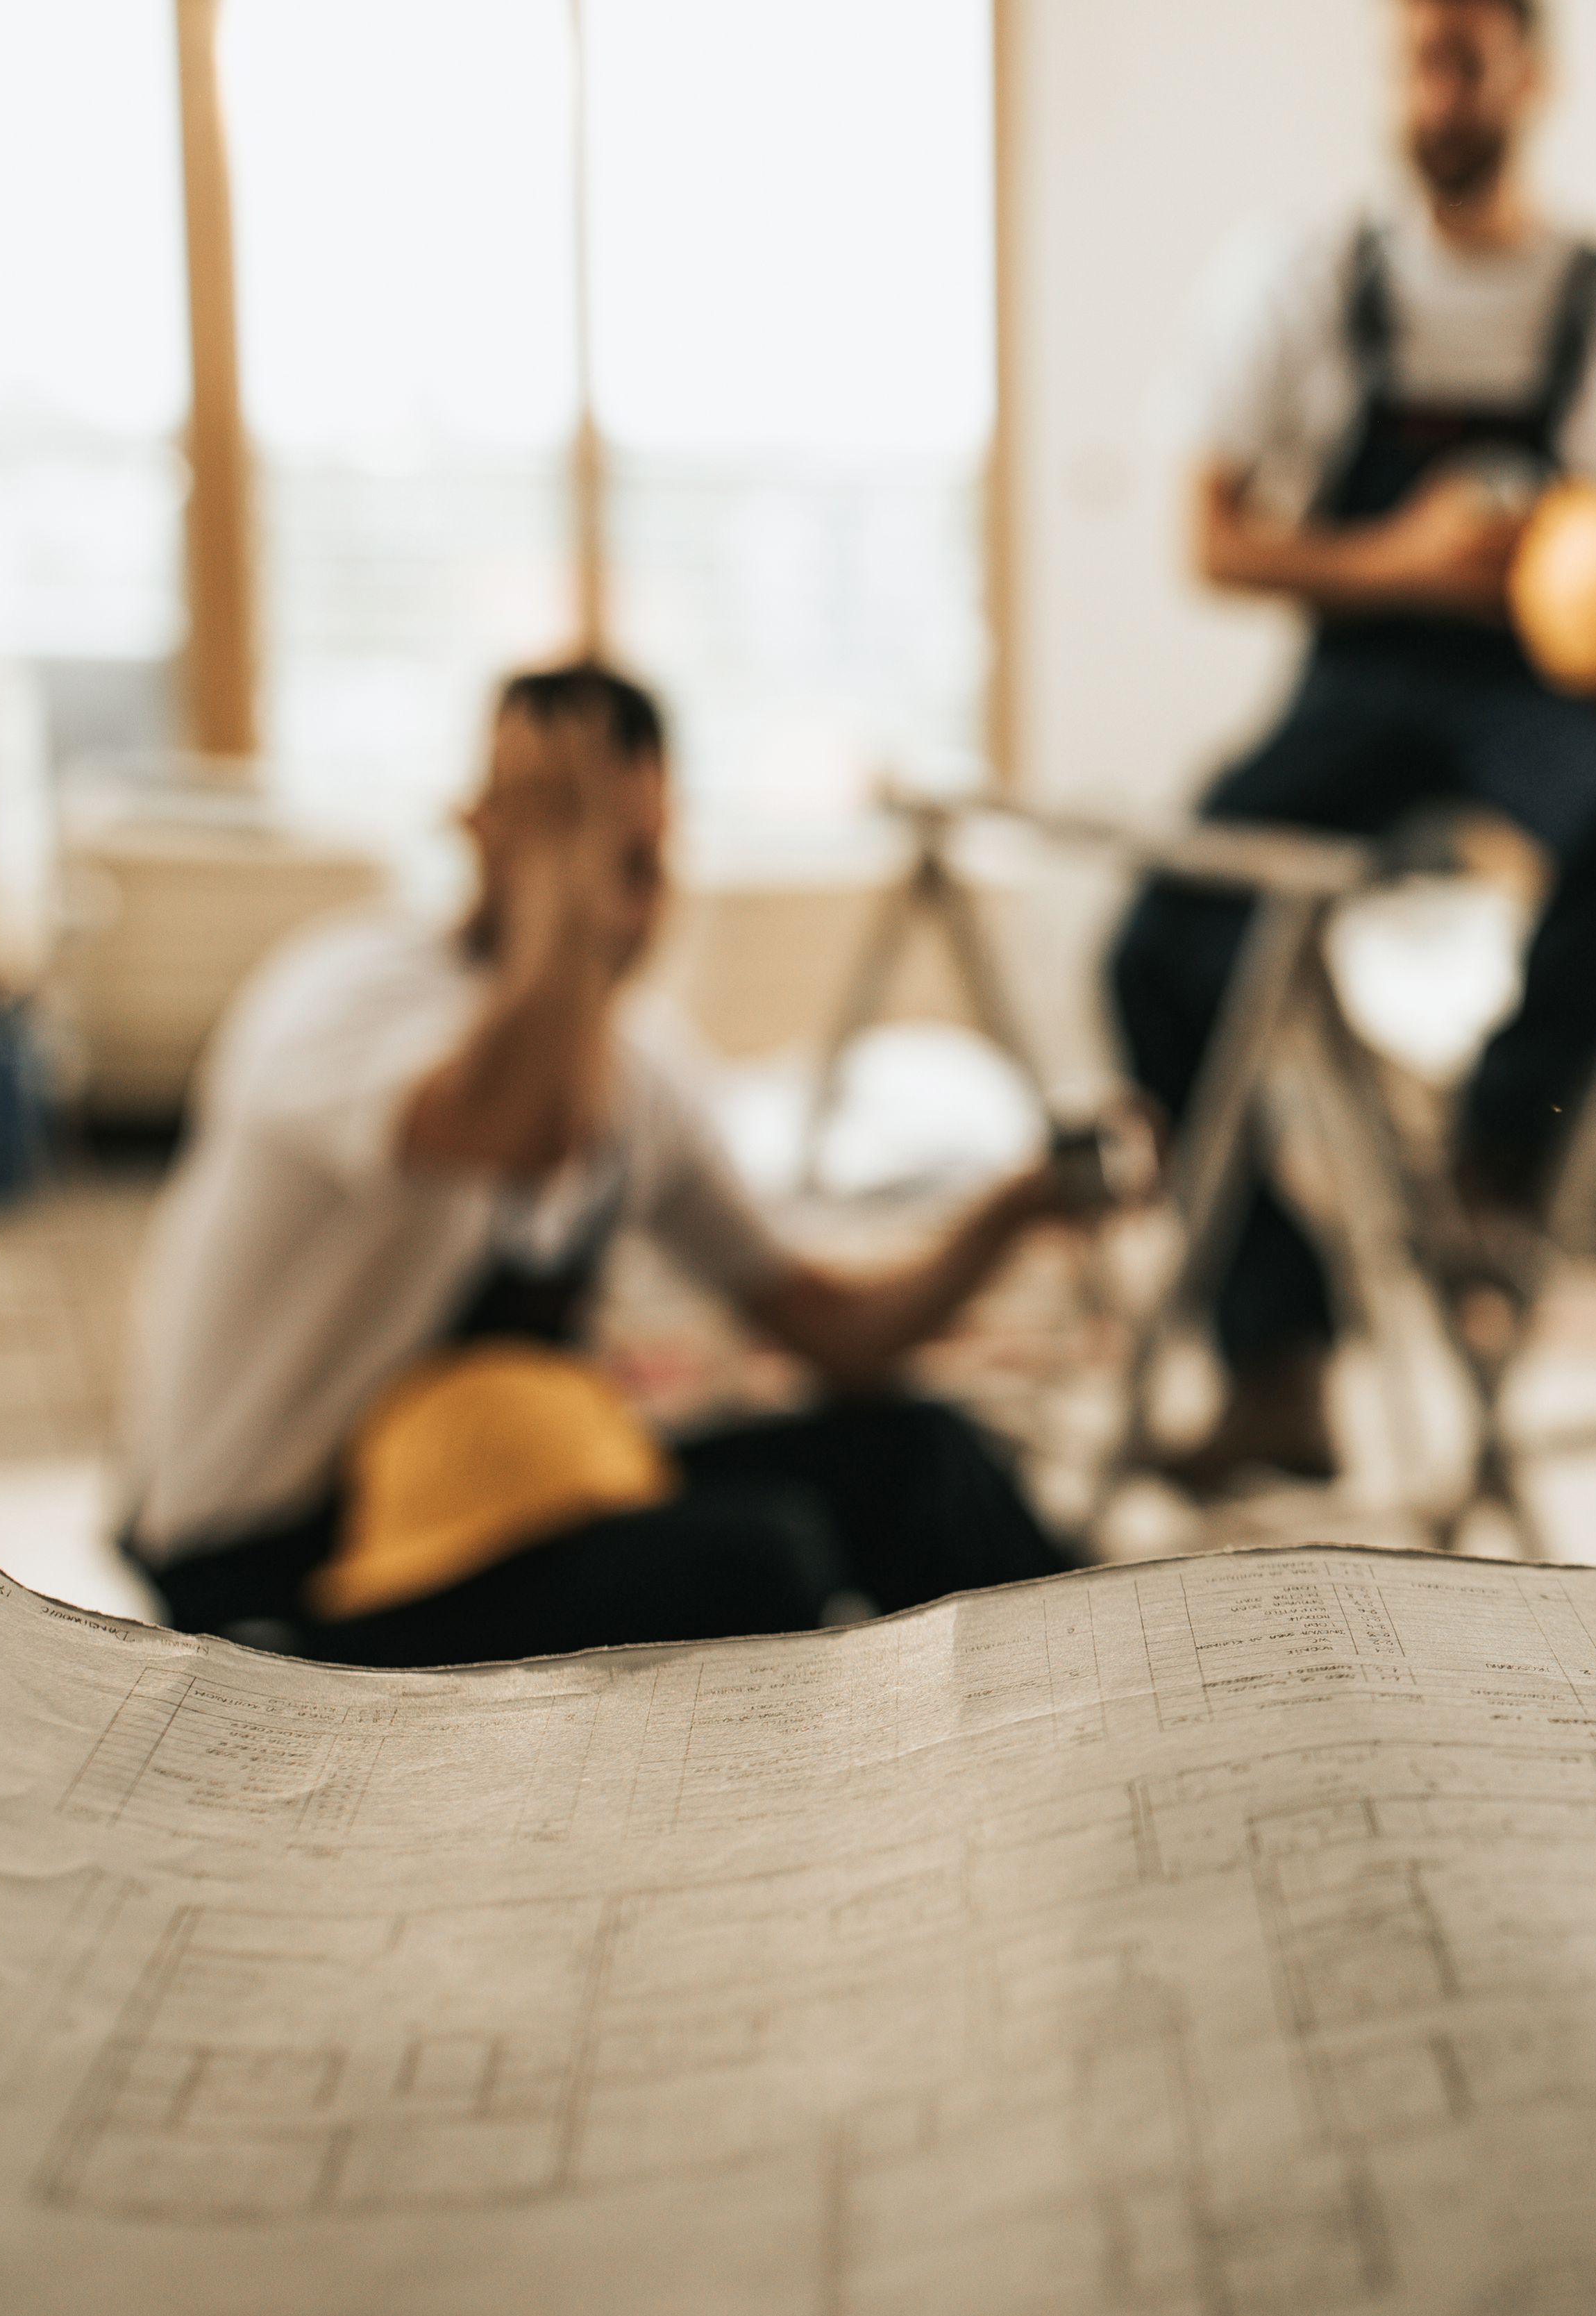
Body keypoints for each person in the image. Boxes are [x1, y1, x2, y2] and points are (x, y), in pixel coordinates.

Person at [1109, 0, 1596, 1491]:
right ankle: (1279, 1350)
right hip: (1360, 675)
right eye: (1418, 63)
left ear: (1531, 80)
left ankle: (1498, 1160)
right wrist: (1400, 558)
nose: (1441, 94)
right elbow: (1214, 542)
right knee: (1158, 944)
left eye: (1469, 64)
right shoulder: (1303, 277)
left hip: (1543, 686)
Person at [117, 660, 1086, 1665]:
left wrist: (1014, 1211)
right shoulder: (347, 993)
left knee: (919, 1457)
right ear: (482, 833)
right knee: (752, 1563)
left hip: (494, 1512)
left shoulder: (641, 1069)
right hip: (274, 1561)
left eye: (638, 863)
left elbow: (836, 1334)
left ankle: (1089, 1701)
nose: (616, 908)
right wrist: (563, 893)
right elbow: (521, 1127)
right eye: (581, 855)